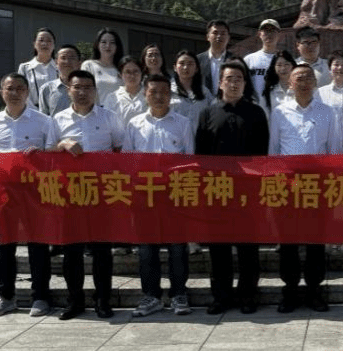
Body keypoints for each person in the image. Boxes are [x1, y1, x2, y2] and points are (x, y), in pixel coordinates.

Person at [0, 73, 59, 318]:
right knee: (4, 244)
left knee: (38, 244)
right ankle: (6, 297)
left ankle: (41, 297)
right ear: (1, 92)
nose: (14, 93)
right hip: (4, 191)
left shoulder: (43, 120)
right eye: (9, 88)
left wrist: (42, 153)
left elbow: (54, 151)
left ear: (27, 92)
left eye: (20, 88)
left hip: (35, 190)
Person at [197, 60, 270, 314]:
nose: (234, 83)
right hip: (217, 190)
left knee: (248, 247)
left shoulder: (256, 113)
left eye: (239, 78)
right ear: (220, 83)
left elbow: (262, 154)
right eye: (229, 78)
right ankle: (221, 296)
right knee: (219, 247)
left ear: (245, 83)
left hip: (247, 191)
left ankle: (248, 295)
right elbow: (201, 154)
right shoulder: (208, 113)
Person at [51, 69, 124, 320]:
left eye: (87, 87)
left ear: (95, 91)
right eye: (77, 87)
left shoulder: (109, 117)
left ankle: (103, 300)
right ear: (68, 90)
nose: (82, 92)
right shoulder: (58, 119)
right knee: (72, 251)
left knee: (102, 251)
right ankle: (75, 301)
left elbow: (120, 149)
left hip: (102, 192)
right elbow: (48, 151)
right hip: (70, 193)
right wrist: (62, 144)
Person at [124, 74, 195, 317]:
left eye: (164, 92)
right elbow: (128, 161)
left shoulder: (182, 123)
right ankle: (151, 296)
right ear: (145, 94)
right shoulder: (134, 124)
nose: (158, 96)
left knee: (177, 248)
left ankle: (178, 294)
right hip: (145, 196)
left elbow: (190, 159)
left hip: (175, 194)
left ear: (170, 95)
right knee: (147, 249)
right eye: (153, 91)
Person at [269, 64, 334, 312]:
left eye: (308, 78)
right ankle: (290, 291)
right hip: (287, 186)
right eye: (299, 78)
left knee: (316, 241)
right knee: (288, 242)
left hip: (317, 185)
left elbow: (334, 150)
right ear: (290, 83)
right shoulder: (280, 112)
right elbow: (274, 151)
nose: (304, 82)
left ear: (315, 83)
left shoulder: (327, 112)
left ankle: (314, 291)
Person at [170, 50, 212, 133]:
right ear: (175, 67)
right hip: (174, 137)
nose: (185, 67)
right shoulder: (168, 91)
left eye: (190, 64)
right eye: (182, 63)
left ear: (196, 68)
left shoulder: (205, 92)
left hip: (199, 137)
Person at [17, 27, 58, 109]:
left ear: (54, 45)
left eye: (49, 41)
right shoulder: (24, 68)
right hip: (32, 113)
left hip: (58, 112)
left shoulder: (60, 68)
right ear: (34, 44)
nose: (45, 43)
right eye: (41, 40)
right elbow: (21, 92)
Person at [82, 27, 124, 106]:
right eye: (104, 42)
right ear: (97, 45)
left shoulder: (122, 68)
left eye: (112, 42)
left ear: (117, 46)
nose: (108, 46)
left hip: (119, 111)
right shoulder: (89, 65)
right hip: (96, 111)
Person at [39, 45, 82, 116]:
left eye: (72, 58)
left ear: (79, 63)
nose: (67, 62)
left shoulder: (89, 88)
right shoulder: (47, 89)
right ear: (56, 62)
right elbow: (43, 118)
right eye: (63, 58)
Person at [244, 19, 282, 99]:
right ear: (259, 34)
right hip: (256, 105)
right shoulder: (249, 60)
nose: (269, 34)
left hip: (280, 105)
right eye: (266, 31)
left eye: (273, 31)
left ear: (279, 34)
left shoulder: (285, 60)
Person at [107, 56, 147, 124]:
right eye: (128, 72)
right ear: (120, 75)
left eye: (136, 71)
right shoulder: (112, 98)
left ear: (141, 73)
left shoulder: (149, 95)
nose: (132, 76)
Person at [197, 20, 232, 95]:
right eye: (215, 33)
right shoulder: (197, 60)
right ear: (208, 37)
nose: (219, 36)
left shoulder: (235, 60)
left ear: (228, 38)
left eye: (223, 33)